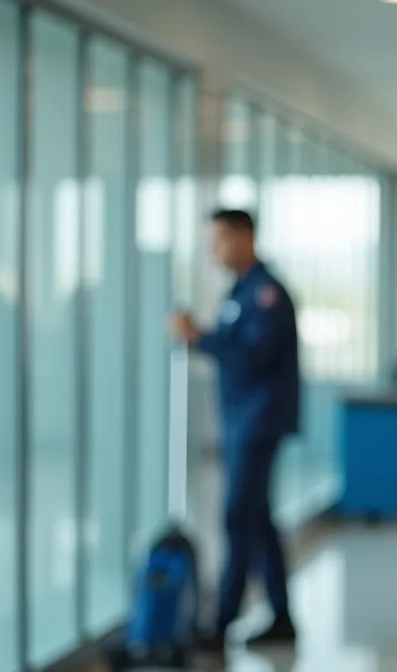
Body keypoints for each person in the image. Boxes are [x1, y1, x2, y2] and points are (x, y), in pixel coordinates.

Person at [169, 209, 301, 651]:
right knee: (258, 521)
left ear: (245, 237)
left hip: (257, 424)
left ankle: (222, 622)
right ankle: (281, 615)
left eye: (221, 239)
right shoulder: (241, 291)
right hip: (242, 421)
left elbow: (252, 357)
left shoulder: (266, 294)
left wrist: (199, 338)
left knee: (238, 518)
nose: (214, 250)